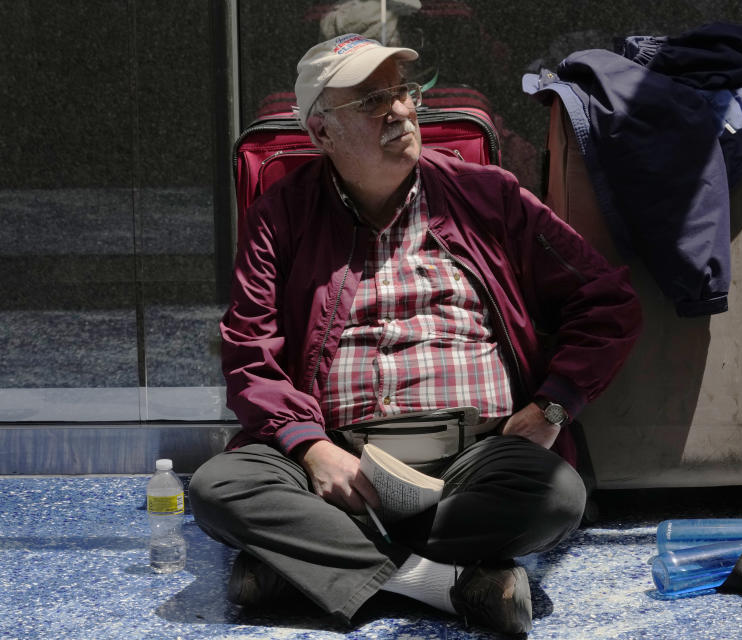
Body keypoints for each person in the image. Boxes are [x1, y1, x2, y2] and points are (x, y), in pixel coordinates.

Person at [190, 33, 642, 635]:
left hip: (473, 457)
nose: (401, 110)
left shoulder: (488, 196)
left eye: (402, 91)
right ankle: (449, 583)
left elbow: (606, 298)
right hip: (336, 465)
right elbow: (249, 350)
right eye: (372, 102)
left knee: (556, 495)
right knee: (221, 488)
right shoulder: (282, 214)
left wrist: (552, 406)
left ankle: (311, 565)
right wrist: (309, 445)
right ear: (322, 132)